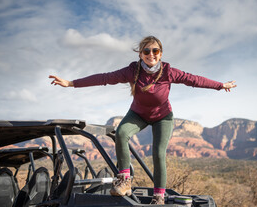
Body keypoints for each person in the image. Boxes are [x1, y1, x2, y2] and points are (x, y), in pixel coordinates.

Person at [49, 36, 237, 204]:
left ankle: (159, 196)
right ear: (140, 54)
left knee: (158, 153)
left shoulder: (168, 72)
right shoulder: (133, 70)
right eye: (146, 51)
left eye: (155, 51)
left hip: (163, 117)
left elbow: (194, 80)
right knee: (121, 133)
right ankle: (124, 180)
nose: (151, 55)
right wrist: (71, 83)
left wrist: (220, 86)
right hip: (138, 114)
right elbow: (105, 78)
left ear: (160, 53)